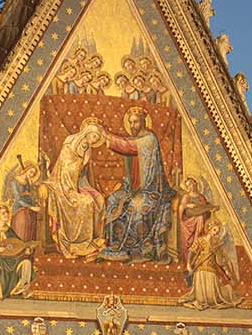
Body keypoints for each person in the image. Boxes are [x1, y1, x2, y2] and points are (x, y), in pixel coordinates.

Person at [101, 106, 175, 262]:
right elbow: (127, 142)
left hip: (151, 189)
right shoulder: (134, 138)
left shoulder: (149, 139)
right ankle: (114, 244)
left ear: (143, 122)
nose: (133, 125)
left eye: (136, 122)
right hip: (132, 188)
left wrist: (107, 136)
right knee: (114, 199)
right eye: (131, 122)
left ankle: (137, 250)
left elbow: (127, 146)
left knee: (137, 206)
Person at [47, 123, 106, 258]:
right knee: (87, 202)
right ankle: (79, 242)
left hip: (79, 184)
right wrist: (80, 163)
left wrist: (84, 162)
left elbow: (83, 173)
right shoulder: (71, 144)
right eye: (94, 136)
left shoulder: (87, 148)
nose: (95, 139)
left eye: (97, 138)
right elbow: (67, 167)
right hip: (65, 186)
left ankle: (96, 238)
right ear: (87, 132)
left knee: (100, 200)